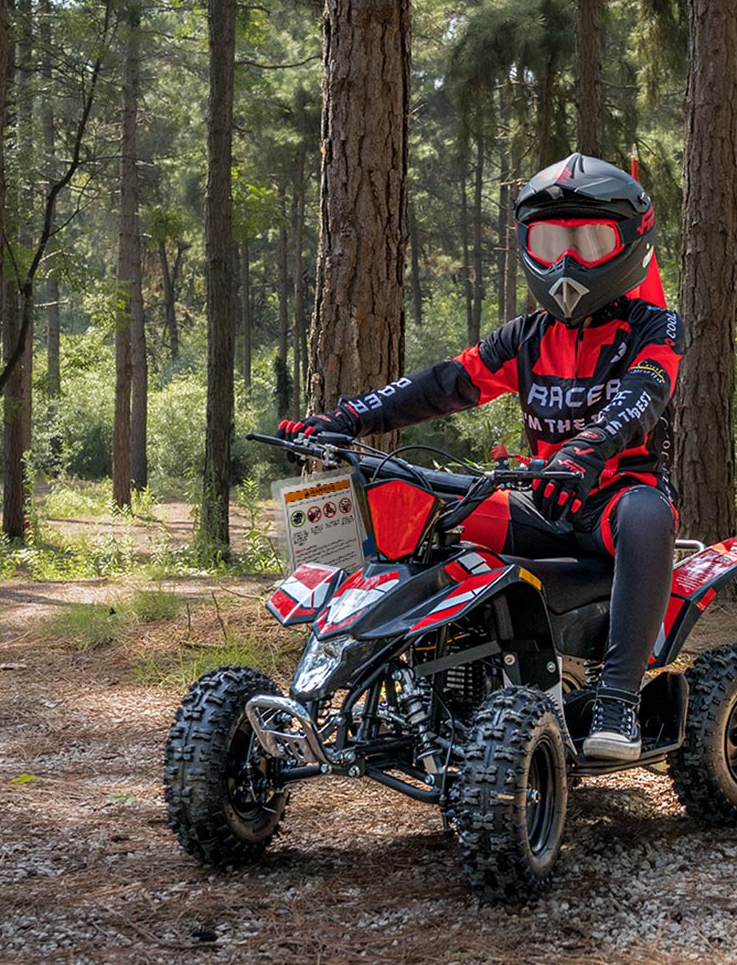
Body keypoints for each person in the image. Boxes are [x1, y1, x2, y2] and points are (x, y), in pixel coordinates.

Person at [279, 152, 687, 762]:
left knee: (650, 514)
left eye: (589, 240)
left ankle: (617, 699)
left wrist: (586, 451)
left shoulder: (655, 327)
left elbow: (641, 397)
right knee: (419, 496)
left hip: (612, 505)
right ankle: (406, 682)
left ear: (629, 243)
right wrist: (344, 420)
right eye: (550, 242)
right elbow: (440, 384)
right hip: (542, 504)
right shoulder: (525, 336)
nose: (567, 261)